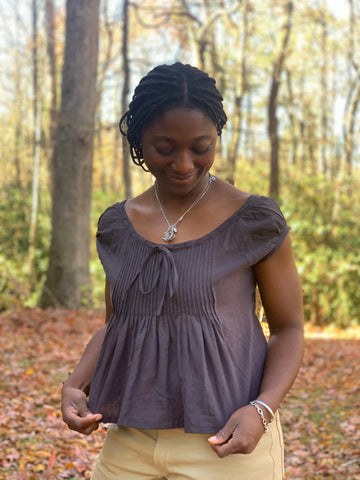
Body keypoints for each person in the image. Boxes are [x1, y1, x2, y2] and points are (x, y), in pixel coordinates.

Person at [61, 62, 304, 480]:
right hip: (129, 442)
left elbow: (289, 328)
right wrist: (75, 384)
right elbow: (119, 323)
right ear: (139, 142)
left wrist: (260, 410)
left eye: (201, 146)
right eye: (165, 147)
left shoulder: (254, 221)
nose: (184, 163)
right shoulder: (117, 225)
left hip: (228, 443)